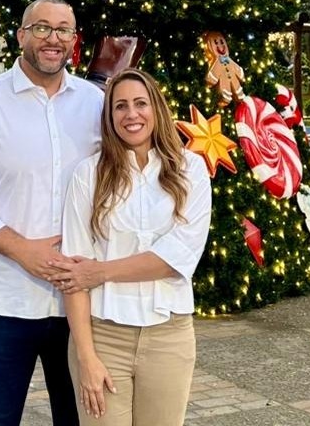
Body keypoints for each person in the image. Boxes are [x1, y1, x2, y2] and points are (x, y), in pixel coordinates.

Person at [0, 0, 103, 426]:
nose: (53, 38)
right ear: (21, 36)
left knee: (82, 419)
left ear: (74, 39)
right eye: (42, 28)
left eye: (63, 29)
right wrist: (23, 250)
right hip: (4, 298)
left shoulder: (95, 103)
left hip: (80, 302)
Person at [49, 68, 211, 425]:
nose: (131, 114)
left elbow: (176, 258)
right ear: (109, 117)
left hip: (169, 337)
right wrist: (86, 357)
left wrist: (100, 272)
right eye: (120, 106)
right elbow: (74, 275)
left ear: (156, 108)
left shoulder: (191, 171)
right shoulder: (88, 175)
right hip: (103, 336)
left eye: (140, 103)